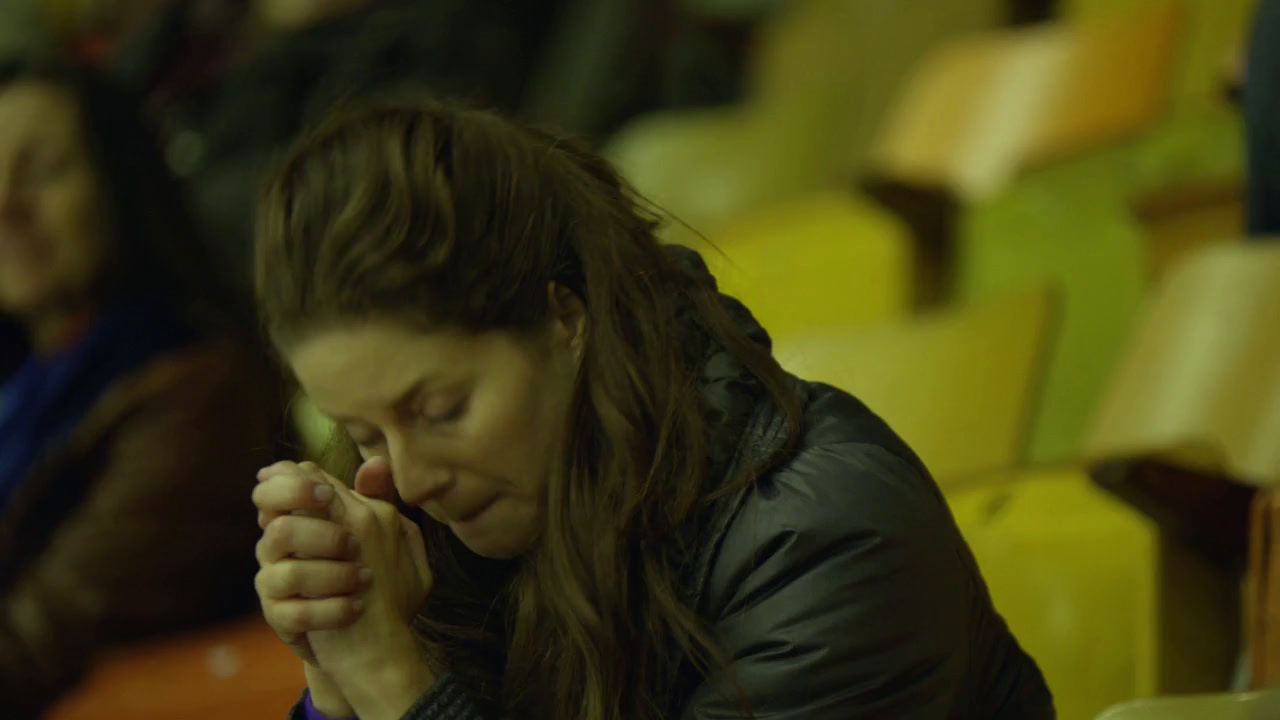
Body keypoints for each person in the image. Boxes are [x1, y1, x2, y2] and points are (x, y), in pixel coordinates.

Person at [250, 100, 1056, 720]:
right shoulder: (446, 532)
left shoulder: (827, 546)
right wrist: (337, 679)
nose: (412, 476)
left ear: (564, 319)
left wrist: (395, 682)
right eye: (361, 434)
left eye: (444, 408)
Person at [0, 56, 277, 716]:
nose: (5, 206)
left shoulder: (198, 390)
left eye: (41, 172)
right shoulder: (20, 378)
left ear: (119, 187)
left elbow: (40, 642)